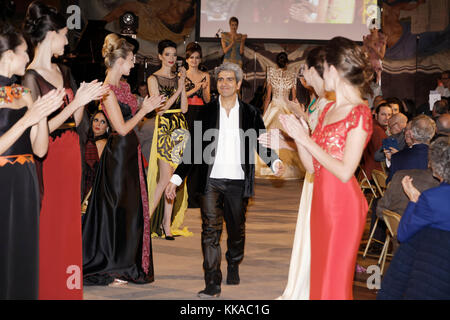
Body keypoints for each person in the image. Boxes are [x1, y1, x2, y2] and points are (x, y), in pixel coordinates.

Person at [165, 62, 285, 298]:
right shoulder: (206, 112)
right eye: (221, 80)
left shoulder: (250, 113)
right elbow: (193, 148)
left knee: (236, 230)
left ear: (239, 84)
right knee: (210, 231)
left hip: (238, 182)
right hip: (211, 182)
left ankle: (233, 261)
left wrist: (275, 162)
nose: (225, 84)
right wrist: (177, 178)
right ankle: (212, 283)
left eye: (230, 79)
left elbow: (261, 142)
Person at [22, 1, 108, 300]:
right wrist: (75, 103)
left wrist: (84, 100)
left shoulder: (64, 69)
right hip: (49, 156)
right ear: (50, 35)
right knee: (50, 223)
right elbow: (40, 128)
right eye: (64, 34)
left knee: (71, 222)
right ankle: (47, 288)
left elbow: (75, 120)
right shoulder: (30, 77)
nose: (68, 40)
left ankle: (68, 289)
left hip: (72, 151)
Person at [279, 36, 374, 299]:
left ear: (333, 68)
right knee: (319, 280)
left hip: (343, 207)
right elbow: (311, 166)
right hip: (321, 203)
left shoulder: (360, 112)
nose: (321, 75)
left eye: (324, 67)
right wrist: (299, 138)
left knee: (334, 284)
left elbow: (345, 171)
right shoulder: (329, 108)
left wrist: (305, 138)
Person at [82, 33, 164, 287]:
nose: (134, 63)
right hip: (118, 154)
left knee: (130, 211)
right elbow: (121, 127)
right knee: (118, 211)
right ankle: (113, 265)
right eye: (131, 59)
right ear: (120, 61)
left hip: (130, 153)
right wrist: (144, 111)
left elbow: (134, 119)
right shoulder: (107, 90)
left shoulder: (124, 87)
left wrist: (147, 106)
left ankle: (123, 263)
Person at [0, 23, 65, 300]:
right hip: (3, 180)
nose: (28, 59)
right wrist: (28, 118)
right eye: (24, 52)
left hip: (26, 179)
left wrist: (42, 118)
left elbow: (40, 150)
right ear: (8, 55)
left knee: (24, 248)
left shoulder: (25, 93)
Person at [259, 45, 330, 299]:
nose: (302, 76)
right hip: (314, 171)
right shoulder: (318, 100)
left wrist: (295, 137)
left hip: (324, 176)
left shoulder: (329, 105)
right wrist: (290, 139)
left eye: (306, 71)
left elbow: (319, 150)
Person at [147, 39, 190, 239]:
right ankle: (145, 222)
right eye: (168, 54)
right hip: (164, 126)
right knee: (165, 177)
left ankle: (166, 223)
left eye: (174, 54)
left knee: (173, 178)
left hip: (180, 127)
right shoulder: (153, 79)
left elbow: (184, 109)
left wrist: (181, 85)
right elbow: (161, 109)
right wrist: (180, 88)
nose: (172, 58)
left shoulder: (178, 78)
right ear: (160, 56)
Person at [256, 51, 304, 179]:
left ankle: (270, 165)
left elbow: (267, 98)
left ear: (276, 62)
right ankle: (288, 167)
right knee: (288, 138)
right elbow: (294, 99)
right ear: (287, 62)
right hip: (286, 109)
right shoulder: (292, 74)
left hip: (273, 108)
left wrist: (264, 115)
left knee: (266, 136)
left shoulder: (272, 73)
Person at [184, 41, 210, 208]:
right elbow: (180, 97)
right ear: (186, 59)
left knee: (199, 157)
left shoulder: (206, 75)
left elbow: (207, 100)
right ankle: (184, 197)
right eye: (191, 57)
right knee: (186, 155)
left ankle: (197, 197)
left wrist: (205, 88)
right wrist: (196, 88)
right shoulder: (181, 75)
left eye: (197, 58)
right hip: (186, 114)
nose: (194, 60)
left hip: (201, 113)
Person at [387, 115, 436, 183]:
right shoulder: (439, 156)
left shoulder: (397, 157)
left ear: (411, 134)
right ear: (432, 134)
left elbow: (390, 183)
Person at [81, 110, 110, 203]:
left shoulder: (102, 142)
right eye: (96, 120)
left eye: (103, 122)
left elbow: (97, 170)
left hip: (91, 188)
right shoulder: (88, 139)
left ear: (107, 127)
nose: (98, 124)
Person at [361, 102, 392, 179]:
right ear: (376, 115)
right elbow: (384, 153)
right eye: (383, 114)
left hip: (367, 172)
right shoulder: (378, 130)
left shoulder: (371, 125)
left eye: (389, 115)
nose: (387, 118)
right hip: (376, 174)